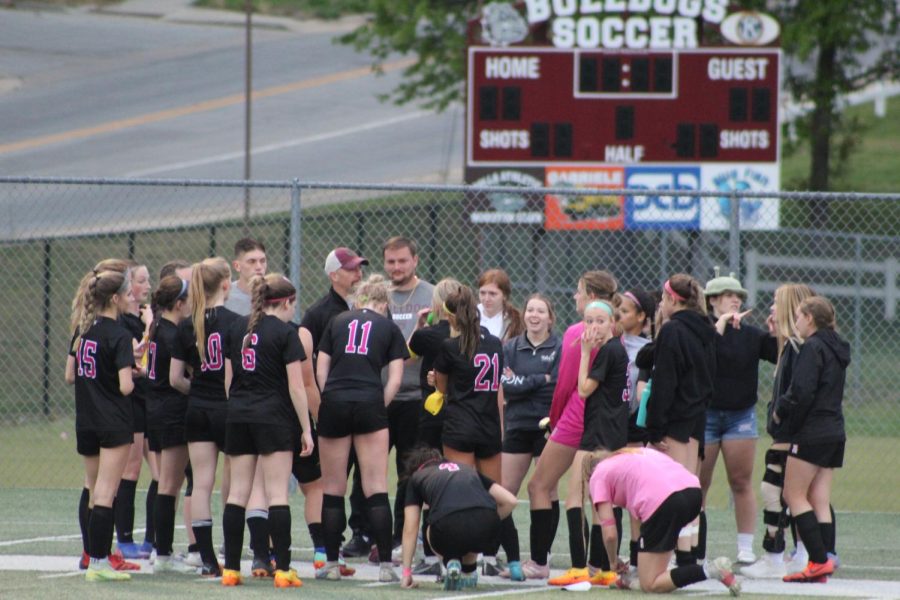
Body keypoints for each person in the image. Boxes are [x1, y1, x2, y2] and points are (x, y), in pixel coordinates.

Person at [221, 274, 314, 588]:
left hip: (238, 414)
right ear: (287, 302)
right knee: (276, 494)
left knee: (237, 493)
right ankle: (284, 570)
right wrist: (306, 429)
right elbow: (296, 387)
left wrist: (237, 407)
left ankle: (231, 569)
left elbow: (228, 381)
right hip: (272, 416)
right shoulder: (286, 333)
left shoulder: (237, 328)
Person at [314, 275, 408, 583]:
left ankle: (330, 564)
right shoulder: (389, 327)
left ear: (359, 300)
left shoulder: (338, 321)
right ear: (383, 304)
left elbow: (321, 368)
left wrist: (331, 399)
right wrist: (378, 404)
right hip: (369, 400)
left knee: (332, 487)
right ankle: (385, 567)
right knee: (375, 486)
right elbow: (395, 378)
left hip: (335, 400)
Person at [526, 270, 617, 584]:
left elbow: (566, 384)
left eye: (579, 292)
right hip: (606, 424)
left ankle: (540, 561)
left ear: (591, 295)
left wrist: (553, 419)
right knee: (599, 495)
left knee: (539, 485)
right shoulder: (615, 330)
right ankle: (599, 563)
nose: (575, 298)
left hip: (575, 419)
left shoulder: (578, 331)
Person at [698, 272, 777, 566]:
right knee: (697, 485)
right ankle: (695, 546)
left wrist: (776, 331)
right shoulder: (701, 331)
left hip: (740, 416)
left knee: (741, 481)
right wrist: (717, 329)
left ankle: (745, 547)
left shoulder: (751, 334)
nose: (736, 299)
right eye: (729, 294)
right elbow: (701, 355)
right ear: (712, 301)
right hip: (704, 415)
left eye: (739, 295)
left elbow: (781, 354)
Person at [586, 448, 740, 596]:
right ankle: (632, 580)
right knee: (654, 572)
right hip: (693, 494)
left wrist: (612, 562)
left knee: (650, 584)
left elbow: (610, 535)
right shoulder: (632, 455)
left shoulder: (597, 476)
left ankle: (711, 570)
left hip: (665, 502)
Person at [170, 257, 240, 577]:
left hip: (197, 409)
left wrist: (197, 391)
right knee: (237, 483)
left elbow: (175, 378)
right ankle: (237, 555)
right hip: (227, 409)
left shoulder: (186, 324)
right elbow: (233, 373)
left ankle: (208, 559)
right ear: (226, 284)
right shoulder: (235, 322)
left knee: (201, 484)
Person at [299, 247, 369, 565]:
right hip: (334, 410)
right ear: (334, 275)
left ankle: (364, 535)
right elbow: (307, 367)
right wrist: (318, 411)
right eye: (352, 269)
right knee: (332, 481)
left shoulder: (368, 306)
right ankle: (330, 545)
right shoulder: (318, 314)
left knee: (365, 477)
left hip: (363, 405)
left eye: (359, 268)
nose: (358, 274)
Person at [66, 268, 137, 582]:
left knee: (94, 490)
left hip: (87, 420)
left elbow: (72, 376)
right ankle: (99, 561)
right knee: (108, 492)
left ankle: (92, 557)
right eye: (127, 293)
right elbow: (124, 386)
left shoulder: (84, 331)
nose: (130, 297)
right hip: (113, 422)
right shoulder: (119, 335)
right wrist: (136, 373)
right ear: (115, 298)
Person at [741, 284, 815, 579]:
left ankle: (778, 554)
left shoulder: (799, 348)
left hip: (792, 434)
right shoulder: (788, 346)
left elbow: (798, 392)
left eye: (775, 303)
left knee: (775, 490)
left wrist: (779, 416)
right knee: (789, 492)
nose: (770, 308)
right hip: (787, 433)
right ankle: (798, 553)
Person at [776, 296, 849, 583]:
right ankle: (826, 558)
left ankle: (817, 561)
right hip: (834, 431)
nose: (795, 323)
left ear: (810, 319)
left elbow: (801, 391)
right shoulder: (837, 348)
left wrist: (782, 412)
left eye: (798, 317)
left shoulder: (813, 347)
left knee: (792, 494)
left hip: (812, 432)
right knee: (819, 498)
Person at [497, 294, 561, 581]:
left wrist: (527, 383)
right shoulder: (511, 347)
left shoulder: (559, 347)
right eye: (530, 310)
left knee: (546, 490)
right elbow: (507, 386)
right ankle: (507, 556)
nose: (534, 315)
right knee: (504, 492)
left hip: (547, 426)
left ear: (550, 317)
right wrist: (540, 380)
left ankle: (541, 557)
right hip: (516, 424)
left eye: (540, 311)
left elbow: (556, 385)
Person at [405, 277, 463, 577]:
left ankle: (428, 553)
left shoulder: (429, 335)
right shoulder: (470, 336)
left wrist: (421, 322)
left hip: (432, 415)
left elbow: (409, 352)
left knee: (427, 481)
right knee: (457, 480)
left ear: (439, 305)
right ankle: (460, 551)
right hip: (463, 416)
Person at [399, 446, 519, 591]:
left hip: (447, 527)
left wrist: (406, 573)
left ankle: (450, 562)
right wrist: (489, 519)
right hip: (487, 528)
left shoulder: (417, 478)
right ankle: (468, 572)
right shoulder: (467, 469)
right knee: (468, 527)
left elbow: (410, 529)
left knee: (431, 525)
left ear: (417, 469)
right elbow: (511, 501)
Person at [382, 236, 435, 554]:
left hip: (416, 396)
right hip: (380, 396)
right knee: (367, 470)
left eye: (403, 260)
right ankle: (366, 534)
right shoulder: (378, 295)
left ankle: (403, 535)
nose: (397, 267)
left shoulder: (430, 295)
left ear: (415, 260)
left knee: (409, 469)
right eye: (391, 261)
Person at [146, 276, 195, 573]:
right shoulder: (172, 334)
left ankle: (161, 550)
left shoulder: (159, 328)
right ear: (178, 304)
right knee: (170, 485)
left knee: (168, 483)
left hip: (156, 410)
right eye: (188, 299)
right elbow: (178, 379)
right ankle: (162, 553)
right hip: (171, 412)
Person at [114, 261, 154, 560]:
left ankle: (154, 540)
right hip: (131, 402)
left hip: (149, 401)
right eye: (141, 281)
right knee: (130, 469)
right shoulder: (123, 325)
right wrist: (151, 326)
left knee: (163, 473)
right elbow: (139, 360)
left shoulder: (141, 319)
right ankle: (124, 538)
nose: (146, 286)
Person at [477, 269, 524, 341]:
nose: (486, 299)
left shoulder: (516, 321)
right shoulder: (470, 315)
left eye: (492, 294)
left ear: (504, 295)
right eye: (482, 293)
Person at [224, 238, 267, 316]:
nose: (259, 267)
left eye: (262, 261)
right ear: (237, 266)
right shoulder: (225, 295)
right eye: (251, 261)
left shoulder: (276, 292)